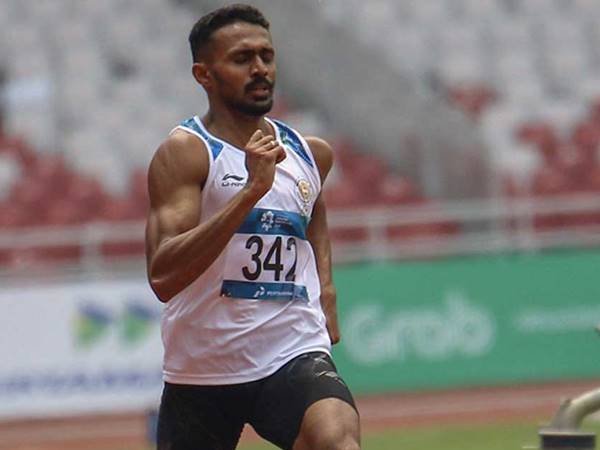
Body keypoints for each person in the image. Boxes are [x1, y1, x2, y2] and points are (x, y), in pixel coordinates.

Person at [145, 4, 360, 450]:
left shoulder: (308, 152)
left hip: (291, 348)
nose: (260, 68)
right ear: (204, 75)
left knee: (336, 440)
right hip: (203, 367)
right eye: (242, 59)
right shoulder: (186, 154)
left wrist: (326, 286)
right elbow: (163, 276)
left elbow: (312, 204)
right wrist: (249, 193)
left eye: (267, 55)